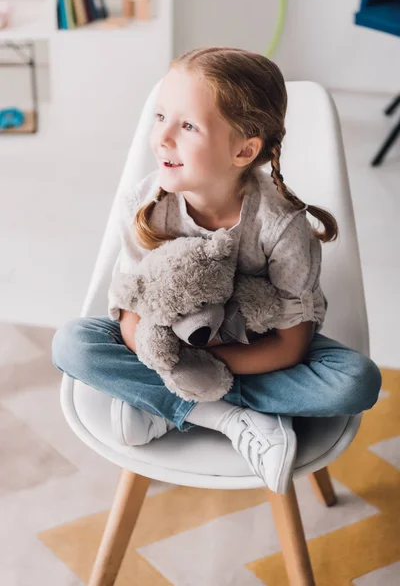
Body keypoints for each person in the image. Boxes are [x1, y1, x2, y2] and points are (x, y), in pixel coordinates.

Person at [52, 47, 382, 494]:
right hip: (166, 343)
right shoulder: (147, 205)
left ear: (244, 150)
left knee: (356, 384)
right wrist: (177, 364)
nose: (163, 137)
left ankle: (161, 404)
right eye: (160, 116)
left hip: (253, 348)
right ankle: (228, 417)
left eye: (187, 126)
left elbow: (291, 343)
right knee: (73, 344)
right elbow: (131, 311)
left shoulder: (282, 225)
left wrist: (203, 369)